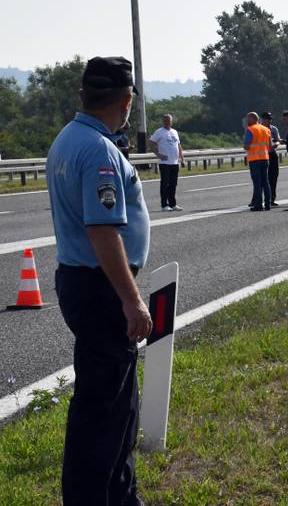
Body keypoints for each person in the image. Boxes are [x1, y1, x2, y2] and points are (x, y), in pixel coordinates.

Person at [46, 56, 152, 506]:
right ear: (126, 101)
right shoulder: (98, 151)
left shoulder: (69, 139)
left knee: (118, 405)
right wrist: (132, 301)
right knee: (103, 413)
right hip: (101, 288)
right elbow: (102, 231)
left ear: (83, 96)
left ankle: (120, 495)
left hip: (84, 282)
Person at [148, 114, 185, 211]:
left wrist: (182, 159)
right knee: (165, 183)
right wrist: (158, 154)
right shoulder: (159, 132)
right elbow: (151, 143)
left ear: (171, 121)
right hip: (165, 162)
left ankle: (173, 204)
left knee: (173, 184)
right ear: (163, 121)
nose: (167, 122)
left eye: (169, 120)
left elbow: (179, 146)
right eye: (165, 120)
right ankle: (164, 205)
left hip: (174, 162)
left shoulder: (174, 132)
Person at [244, 111, 272, 211]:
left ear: (252, 119)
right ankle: (268, 204)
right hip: (265, 158)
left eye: (248, 119)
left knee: (257, 183)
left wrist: (245, 145)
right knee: (266, 182)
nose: (247, 121)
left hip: (254, 159)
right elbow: (270, 146)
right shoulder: (266, 129)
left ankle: (258, 205)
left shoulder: (250, 129)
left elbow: (247, 145)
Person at [260, 111, 281, 206]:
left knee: (273, 177)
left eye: (269, 119)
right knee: (261, 179)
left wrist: (276, 144)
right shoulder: (258, 129)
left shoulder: (274, 129)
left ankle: (272, 199)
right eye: (266, 119)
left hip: (272, 154)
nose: (268, 121)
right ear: (262, 120)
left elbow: (278, 140)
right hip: (262, 155)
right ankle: (256, 199)